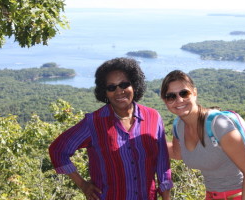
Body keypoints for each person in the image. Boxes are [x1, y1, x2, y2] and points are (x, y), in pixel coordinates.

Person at [49, 57, 173, 200]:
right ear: (105, 92)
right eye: (111, 87)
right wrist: (83, 185)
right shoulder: (94, 123)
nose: (119, 91)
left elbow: (162, 162)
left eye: (124, 84)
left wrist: (166, 196)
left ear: (134, 85)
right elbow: (58, 150)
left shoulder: (153, 117)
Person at [160, 70, 245, 200]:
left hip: (242, 195)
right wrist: (142, 143)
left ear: (194, 93)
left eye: (184, 93)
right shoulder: (178, 126)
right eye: (171, 96)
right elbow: (177, 153)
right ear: (165, 100)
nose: (179, 100)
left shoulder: (218, 125)